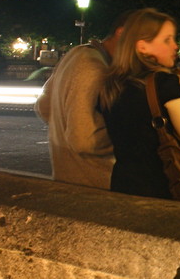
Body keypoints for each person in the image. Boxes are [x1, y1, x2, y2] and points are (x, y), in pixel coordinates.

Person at [99, 8, 180, 200]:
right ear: (142, 47)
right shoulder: (164, 83)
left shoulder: (111, 84)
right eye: (167, 39)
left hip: (122, 187)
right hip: (162, 191)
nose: (175, 46)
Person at [35, 12, 129, 188]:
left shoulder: (76, 53)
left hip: (67, 177)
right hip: (98, 184)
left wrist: (66, 131)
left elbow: (43, 106)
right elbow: (84, 140)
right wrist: (126, 138)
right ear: (122, 33)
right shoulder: (94, 68)